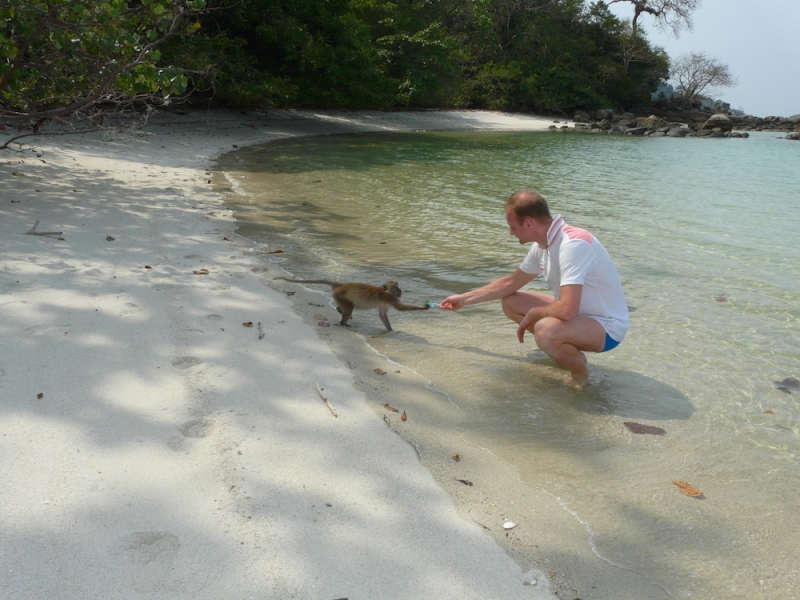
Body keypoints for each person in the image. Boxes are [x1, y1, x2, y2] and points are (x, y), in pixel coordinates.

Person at [440, 190, 629, 386]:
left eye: (512, 227)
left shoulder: (573, 245)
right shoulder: (542, 245)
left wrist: (534, 314)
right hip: (579, 317)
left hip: (607, 328)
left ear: (528, 223)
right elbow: (510, 283)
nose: (510, 232)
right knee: (511, 302)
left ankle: (580, 374)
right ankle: (563, 350)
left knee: (545, 330)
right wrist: (464, 299)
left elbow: (567, 309)